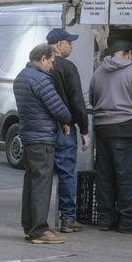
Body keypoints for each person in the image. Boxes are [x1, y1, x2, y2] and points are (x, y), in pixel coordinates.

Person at [89, 40, 132, 234]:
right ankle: (129, 221)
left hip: (102, 129)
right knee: (127, 177)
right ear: (129, 54)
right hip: (125, 129)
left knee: (105, 177)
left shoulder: (98, 72)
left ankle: (106, 219)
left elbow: (92, 99)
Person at [13, 44, 72, 244]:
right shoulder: (40, 79)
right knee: (42, 185)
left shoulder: (21, 76)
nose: (52, 67)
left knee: (31, 182)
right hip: (42, 138)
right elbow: (59, 109)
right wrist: (66, 119)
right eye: (51, 62)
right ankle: (40, 230)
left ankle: (29, 227)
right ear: (43, 59)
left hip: (28, 137)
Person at [46, 28, 90, 233]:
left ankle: (37, 220)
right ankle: (67, 218)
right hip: (64, 127)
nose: (72, 46)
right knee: (66, 173)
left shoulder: (40, 66)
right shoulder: (68, 67)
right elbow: (77, 101)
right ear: (59, 44)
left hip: (43, 126)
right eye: (69, 42)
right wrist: (84, 130)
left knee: (41, 174)